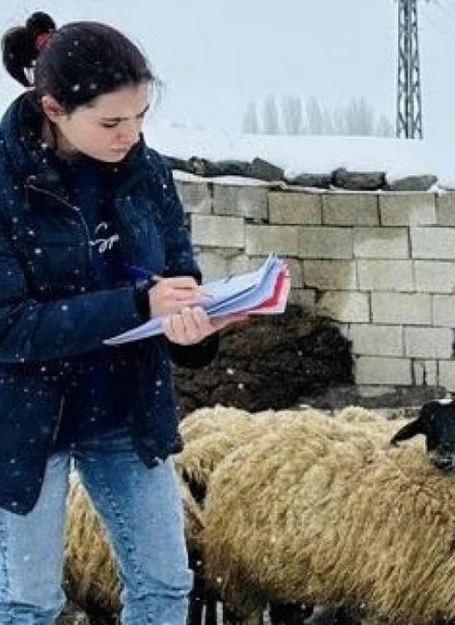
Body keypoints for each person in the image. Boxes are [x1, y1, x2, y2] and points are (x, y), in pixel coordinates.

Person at [0, 12, 242, 625]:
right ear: (53, 109)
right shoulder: (4, 184)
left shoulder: (146, 171)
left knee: (164, 583)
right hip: (26, 422)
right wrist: (135, 305)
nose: (130, 135)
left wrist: (194, 329)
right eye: (112, 122)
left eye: (139, 117)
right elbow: (11, 327)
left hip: (125, 403)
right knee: (28, 600)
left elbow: (177, 278)